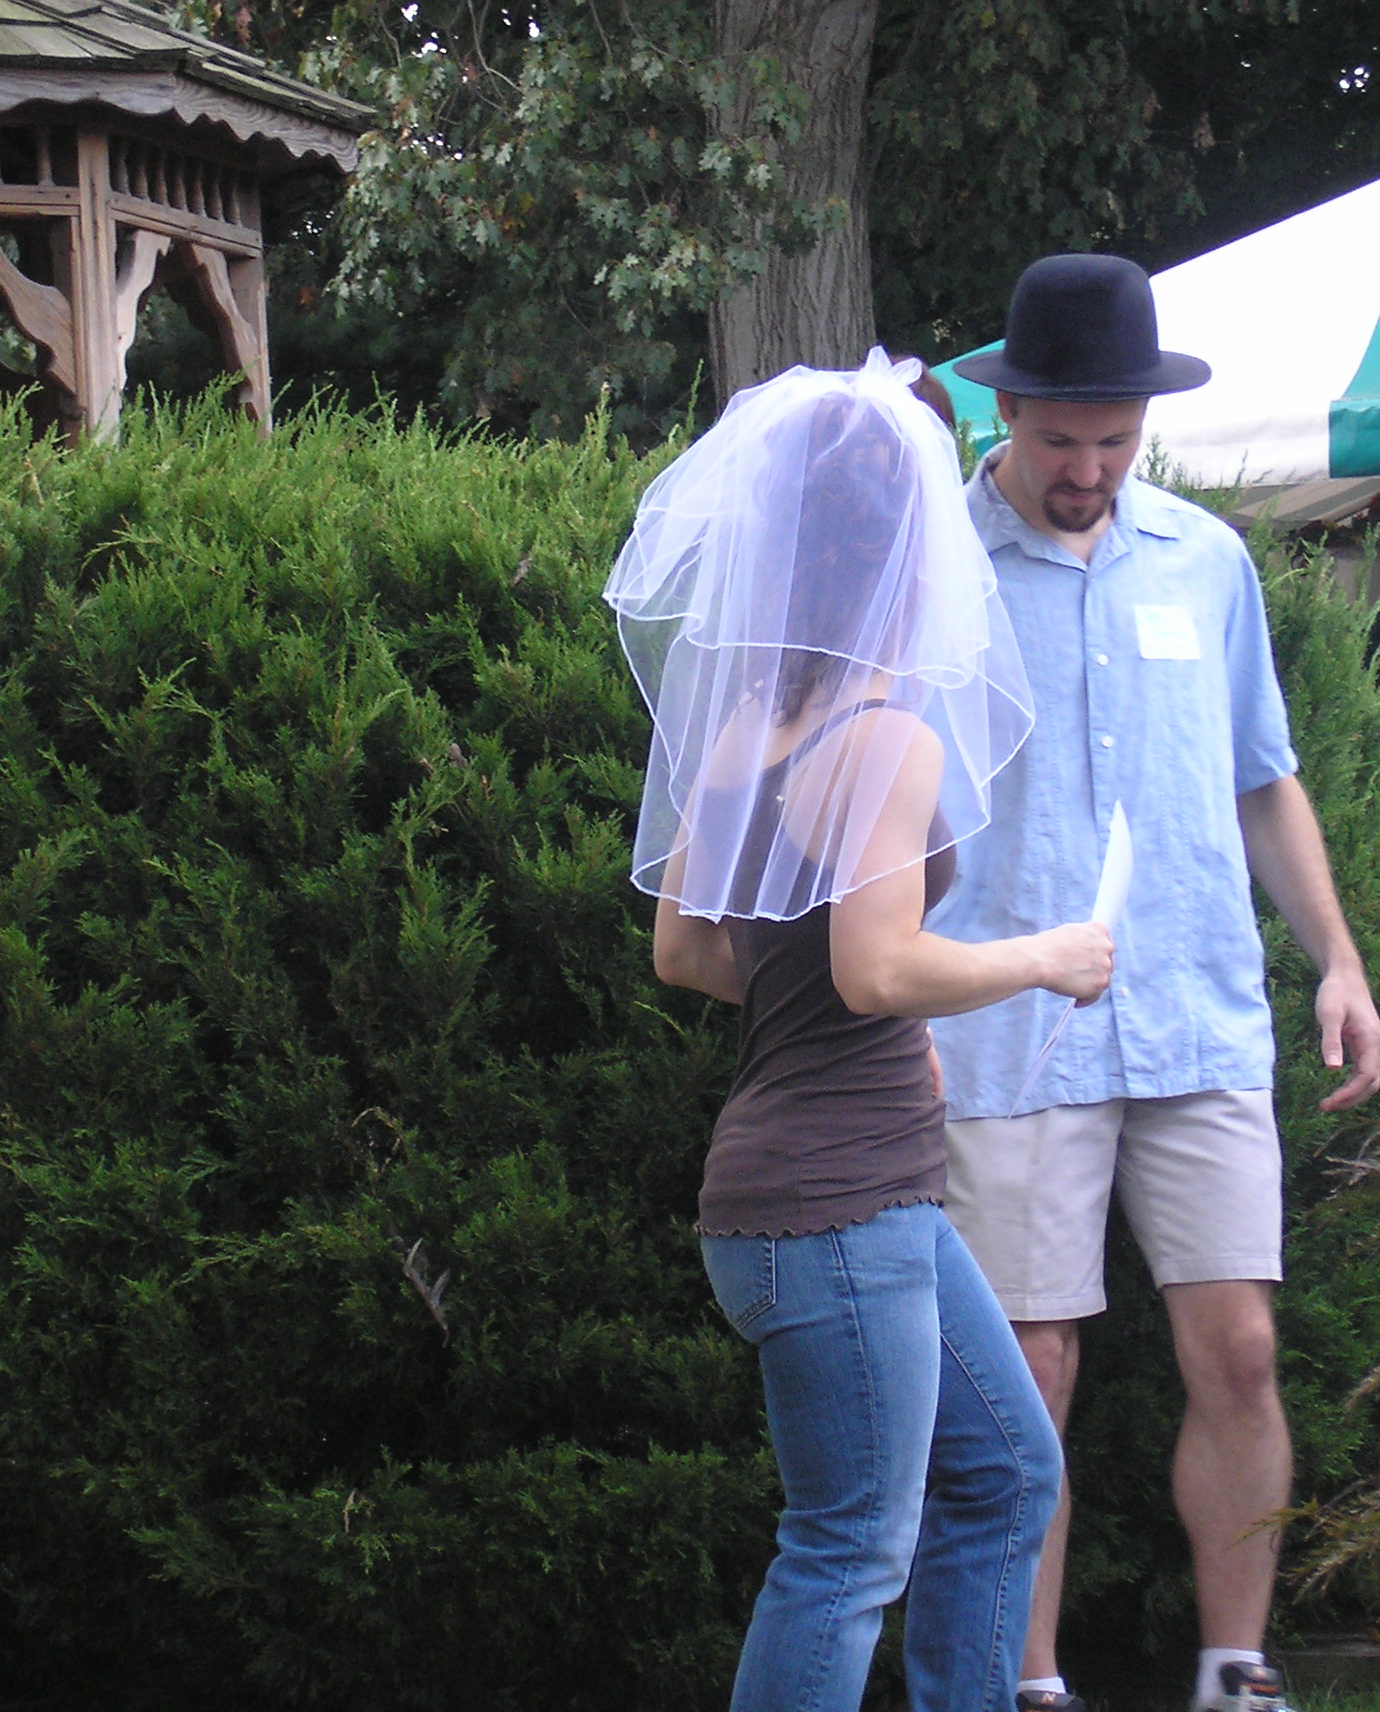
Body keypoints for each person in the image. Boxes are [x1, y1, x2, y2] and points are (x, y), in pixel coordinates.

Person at [607, 349, 1114, 1712]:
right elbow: (879, 967)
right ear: (905, 549)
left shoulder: (743, 738)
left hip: (831, 1199)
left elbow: (688, 951)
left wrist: (836, 1003)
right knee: (844, 1551)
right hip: (834, 1212)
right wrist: (1044, 958)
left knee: (1010, 1471)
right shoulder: (886, 742)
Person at [927, 255, 1380, 1712]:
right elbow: (881, 808)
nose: (1089, 470)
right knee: (1034, 1374)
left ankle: (1236, 1670)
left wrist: (1341, 959)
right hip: (1003, 1024)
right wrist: (895, 1000)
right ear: (1006, 411)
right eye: (1061, 441)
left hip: (1194, 1008)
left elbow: (1267, 780)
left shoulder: (1209, 559)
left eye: (1116, 441)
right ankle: (1032, 1685)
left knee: (1242, 1348)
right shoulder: (931, 565)